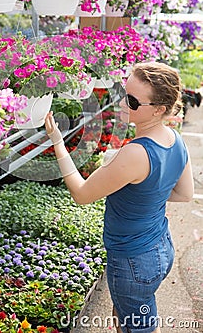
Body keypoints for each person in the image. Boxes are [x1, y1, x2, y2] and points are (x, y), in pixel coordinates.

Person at [45, 61, 194, 333]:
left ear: (159, 109)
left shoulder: (135, 153)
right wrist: (146, 193)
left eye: (133, 101)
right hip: (160, 246)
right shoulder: (174, 138)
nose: (123, 104)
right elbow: (185, 194)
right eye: (123, 93)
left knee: (137, 325)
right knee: (131, 314)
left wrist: (57, 143)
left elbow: (81, 194)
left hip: (133, 259)